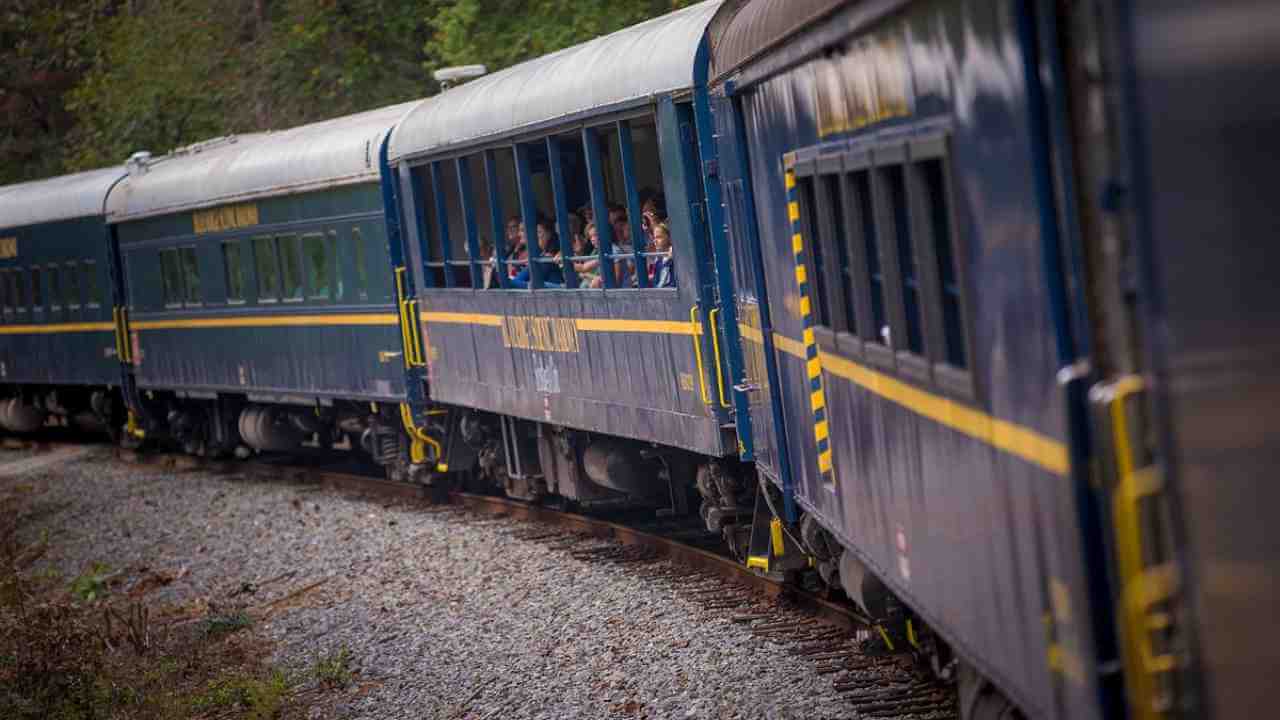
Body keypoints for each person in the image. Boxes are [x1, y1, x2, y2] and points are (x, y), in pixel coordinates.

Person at [509, 218, 563, 288]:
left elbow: (515, 282)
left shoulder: (547, 258)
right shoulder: (540, 256)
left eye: (539, 232)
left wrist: (506, 279)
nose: (535, 236)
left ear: (549, 234)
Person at [649, 221, 675, 288]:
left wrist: (669, 260)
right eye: (654, 238)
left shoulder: (675, 257)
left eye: (659, 237)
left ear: (669, 237)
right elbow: (656, 282)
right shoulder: (658, 259)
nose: (655, 241)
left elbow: (665, 282)